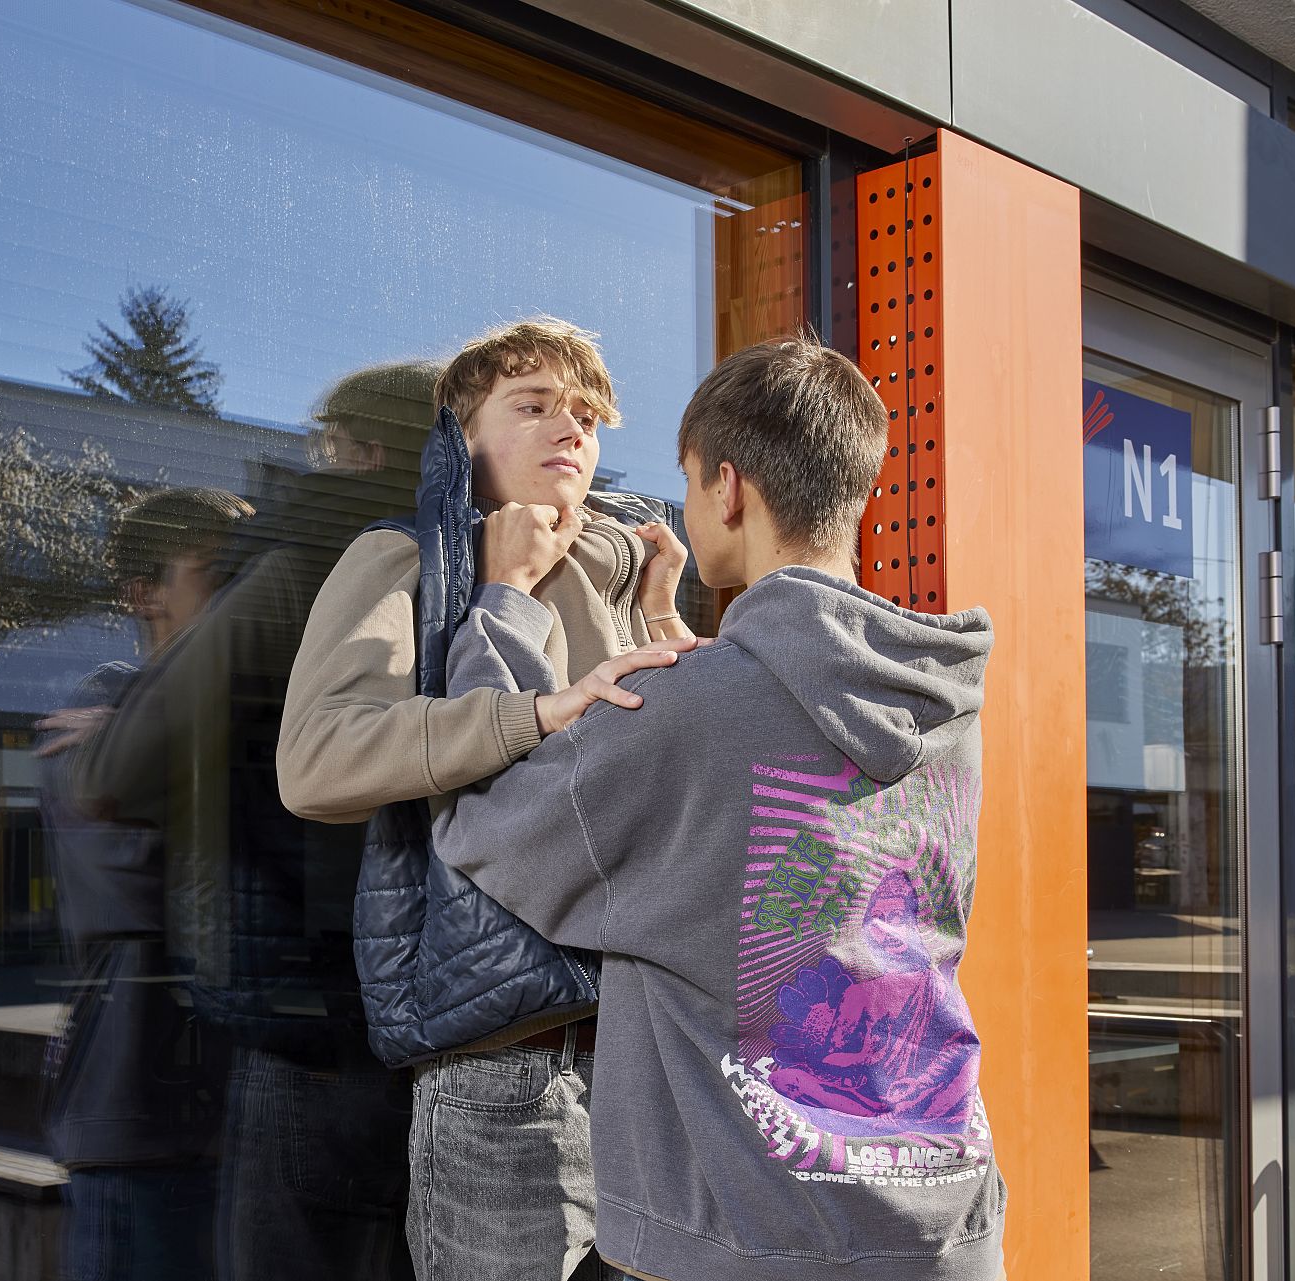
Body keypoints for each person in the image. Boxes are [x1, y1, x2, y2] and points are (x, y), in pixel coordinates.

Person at [429, 335, 1006, 1281]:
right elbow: (761, 770)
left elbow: (485, 823)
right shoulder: (939, 702)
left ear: (728, 489)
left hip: (746, 1235)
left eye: (690, 483)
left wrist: (503, 600)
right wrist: (667, 624)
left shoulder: (693, 711)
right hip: (944, 1218)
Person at [277, 317, 691, 1281]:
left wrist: (667, 612)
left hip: (649, 1053)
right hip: (505, 1061)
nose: (570, 428)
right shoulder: (406, 559)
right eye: (534, 405)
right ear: (463, 436)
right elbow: (317, 762)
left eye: (586, 413)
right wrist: (526, 695)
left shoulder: (628, 568)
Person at [54, 362, 442, 1280]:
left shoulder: (299, 564)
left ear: (365, 447)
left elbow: (115, 770)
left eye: (333, 446)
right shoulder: (501, 564)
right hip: (449, 1035)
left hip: (313, 1021)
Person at [36, 485, 252, 1281]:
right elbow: (155, 889)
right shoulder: (101, 710)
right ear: (143, 592)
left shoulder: (210, 720)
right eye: (218, 573)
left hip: (220, 1108)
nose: (243, 600)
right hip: (141, 1108)